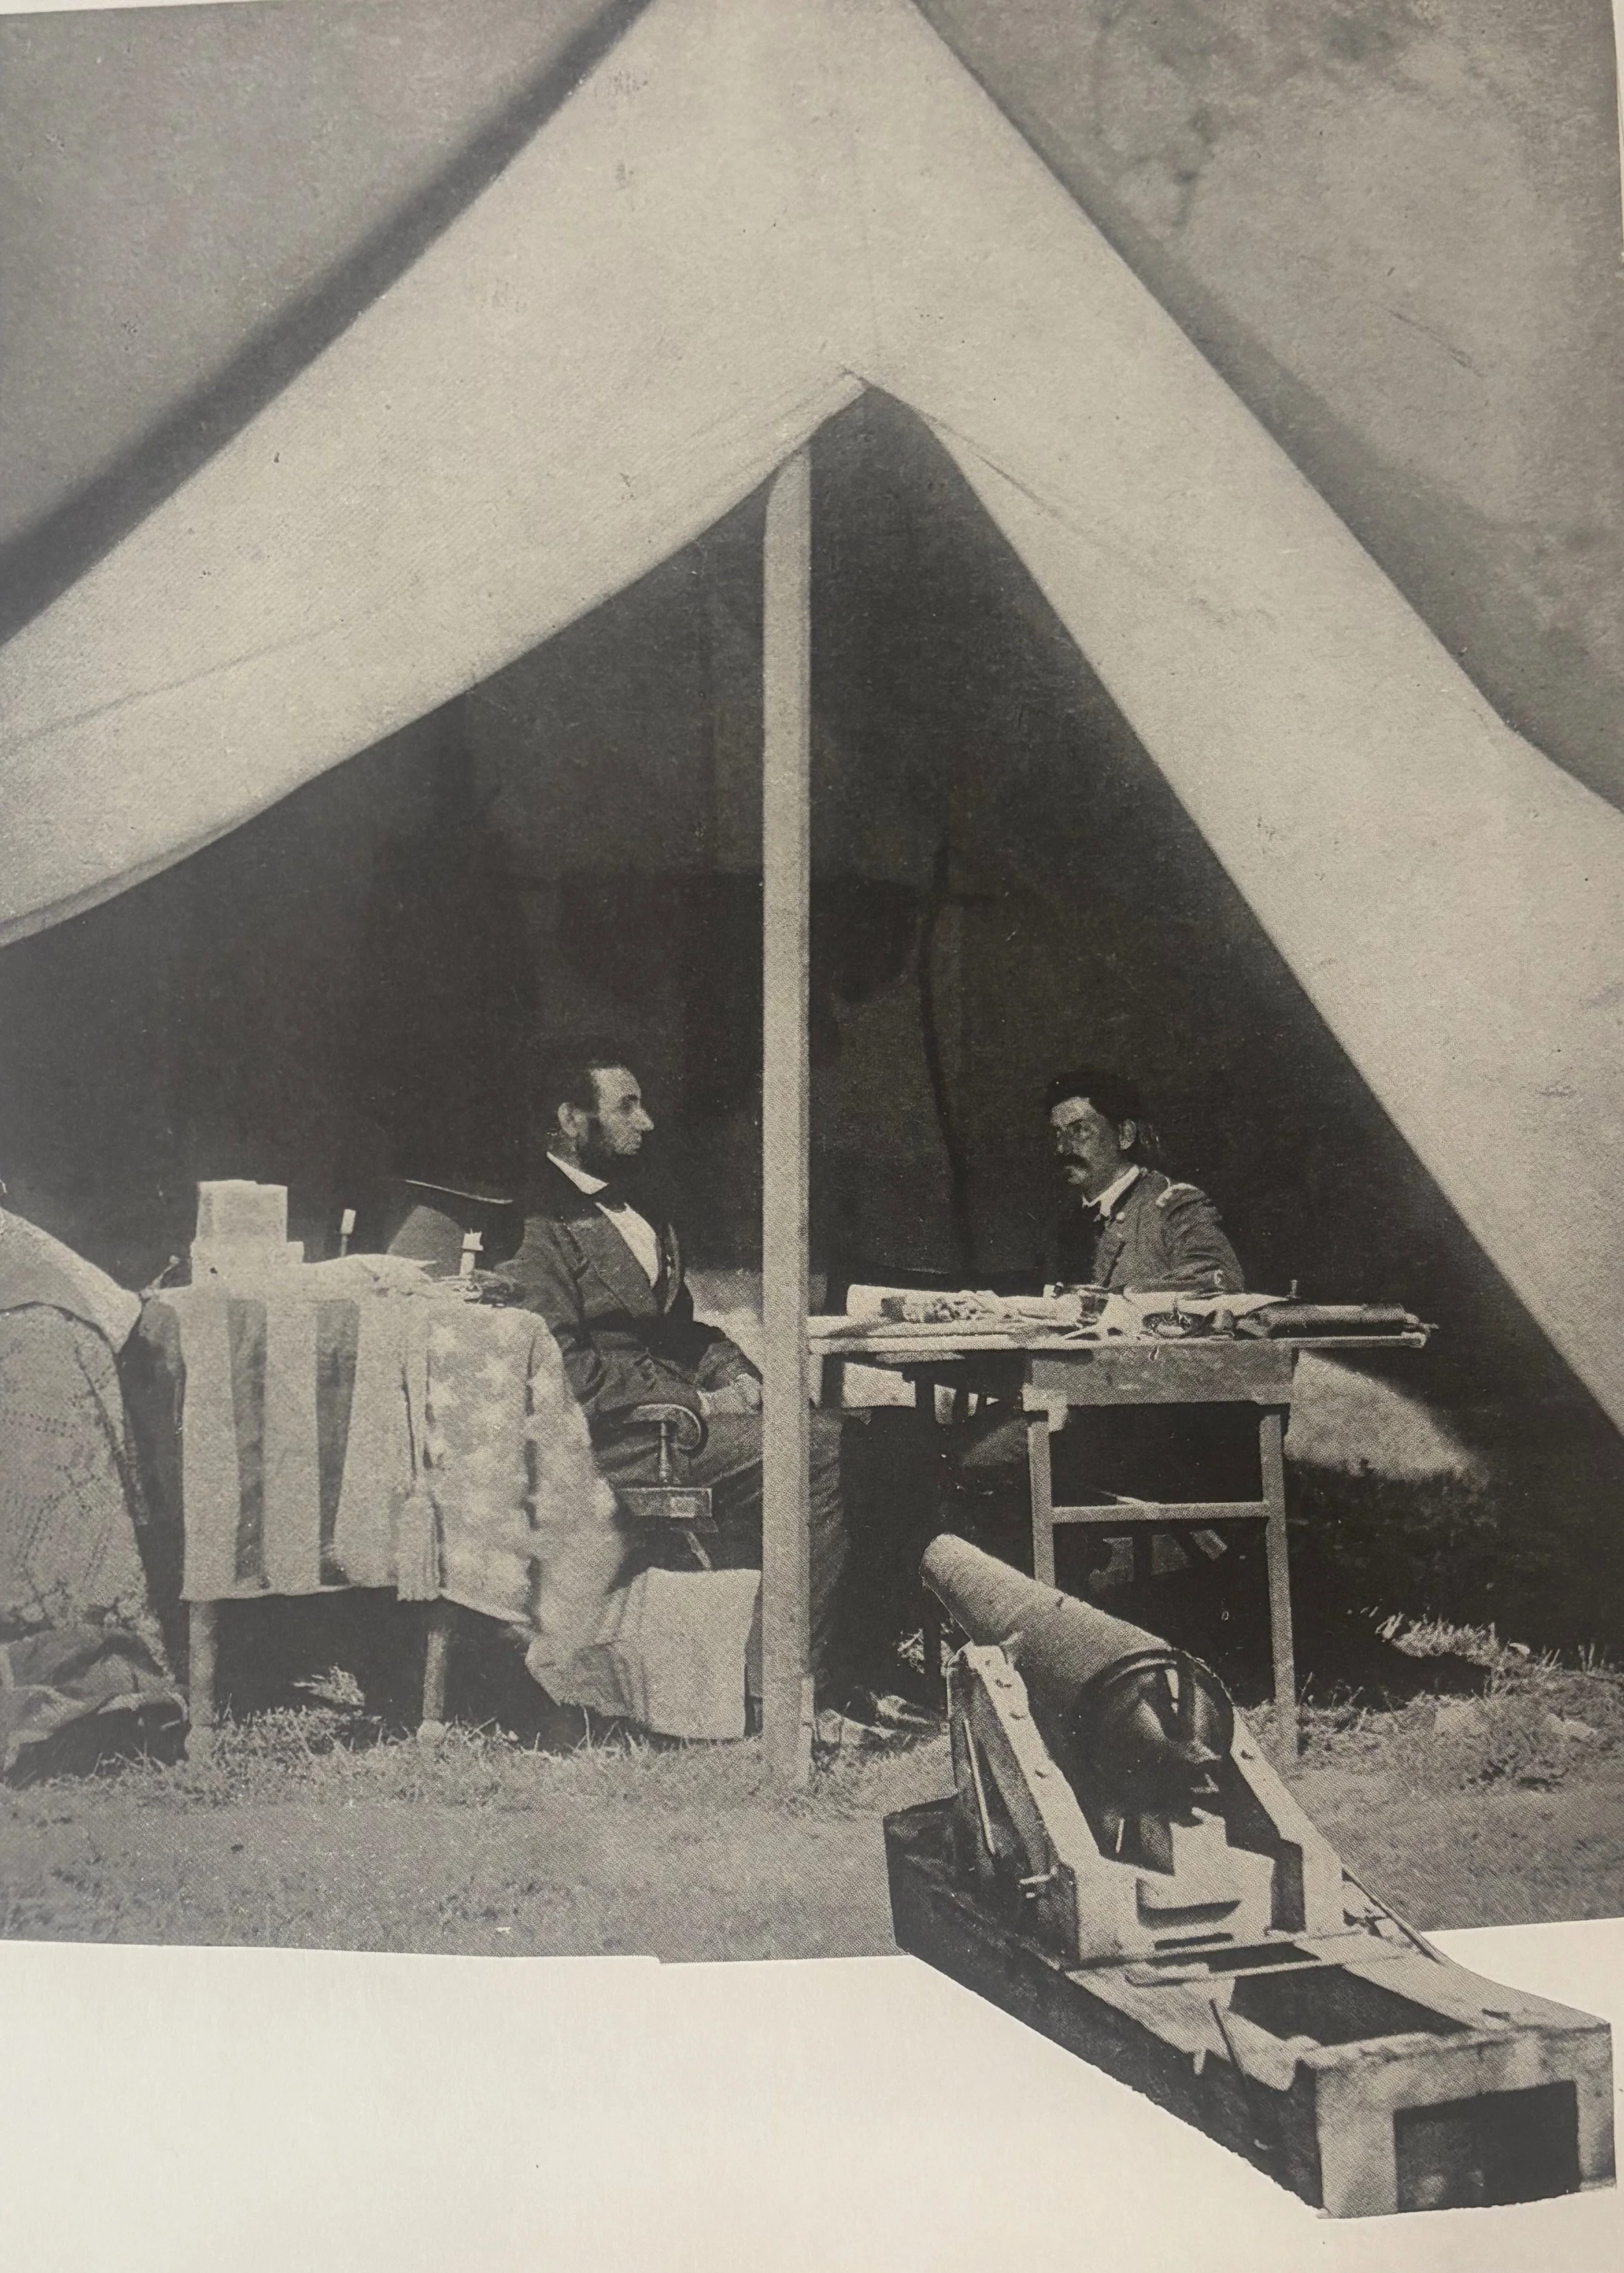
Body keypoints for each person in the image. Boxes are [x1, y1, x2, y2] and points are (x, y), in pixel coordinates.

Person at [497, 1041, 909, 1736]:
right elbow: (560, 1370)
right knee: (822, 1453)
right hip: (615, 1440)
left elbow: (677, 1329)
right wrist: (700, 1402)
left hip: (666, 1421)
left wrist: (739, 1374)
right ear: (574, 1119)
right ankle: (780, 1692)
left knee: (872, 1438)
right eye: (626, 1105)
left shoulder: (641, 1211)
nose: (648, 1121)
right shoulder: (536, 1223)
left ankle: (855, 1664)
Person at [1044, 1068, 1244, 1295]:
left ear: (1125, 1135)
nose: (1062, 1149)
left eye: (1079, 1131)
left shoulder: (1176, 1205)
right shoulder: (1068, 1222)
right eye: (1058, 1134)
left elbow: (1218, 1283)